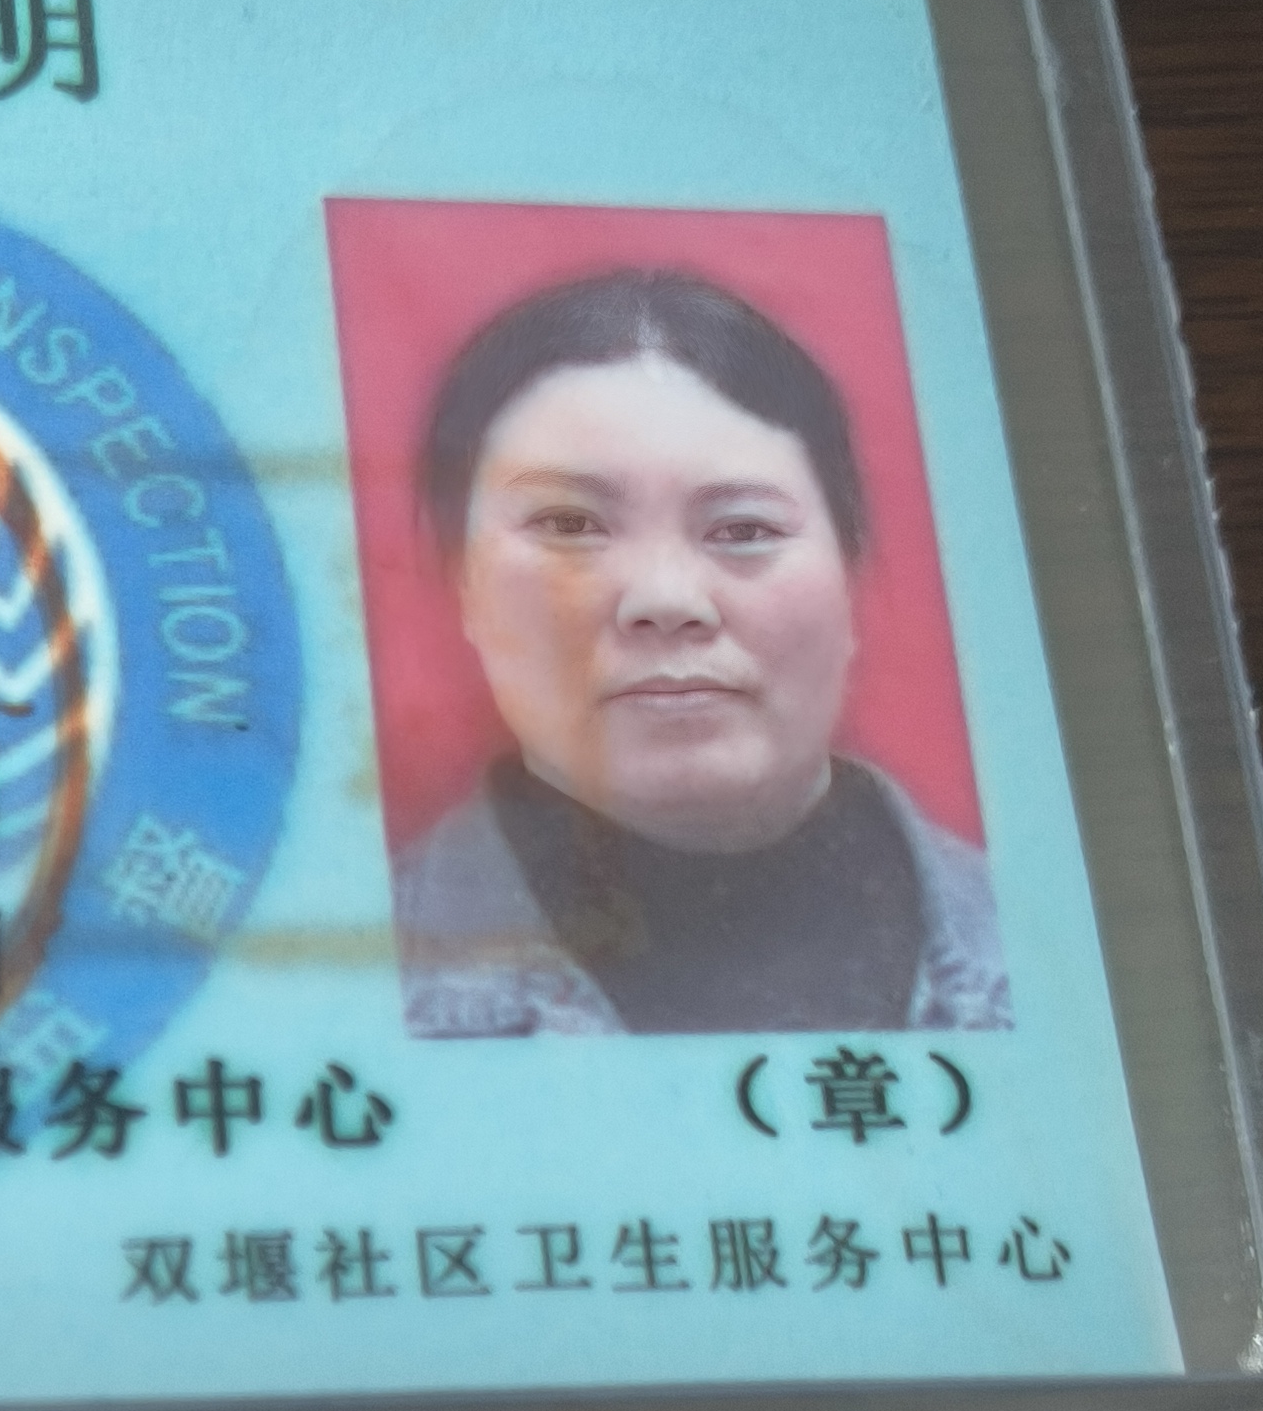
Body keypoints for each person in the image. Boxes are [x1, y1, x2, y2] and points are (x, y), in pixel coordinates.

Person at [387, 268, 1009, 1035]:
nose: (666, 600)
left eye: (744, 530)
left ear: (851, 575)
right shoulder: (331, 982)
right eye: (570, 526)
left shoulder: (1056, 952)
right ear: (465, 587)